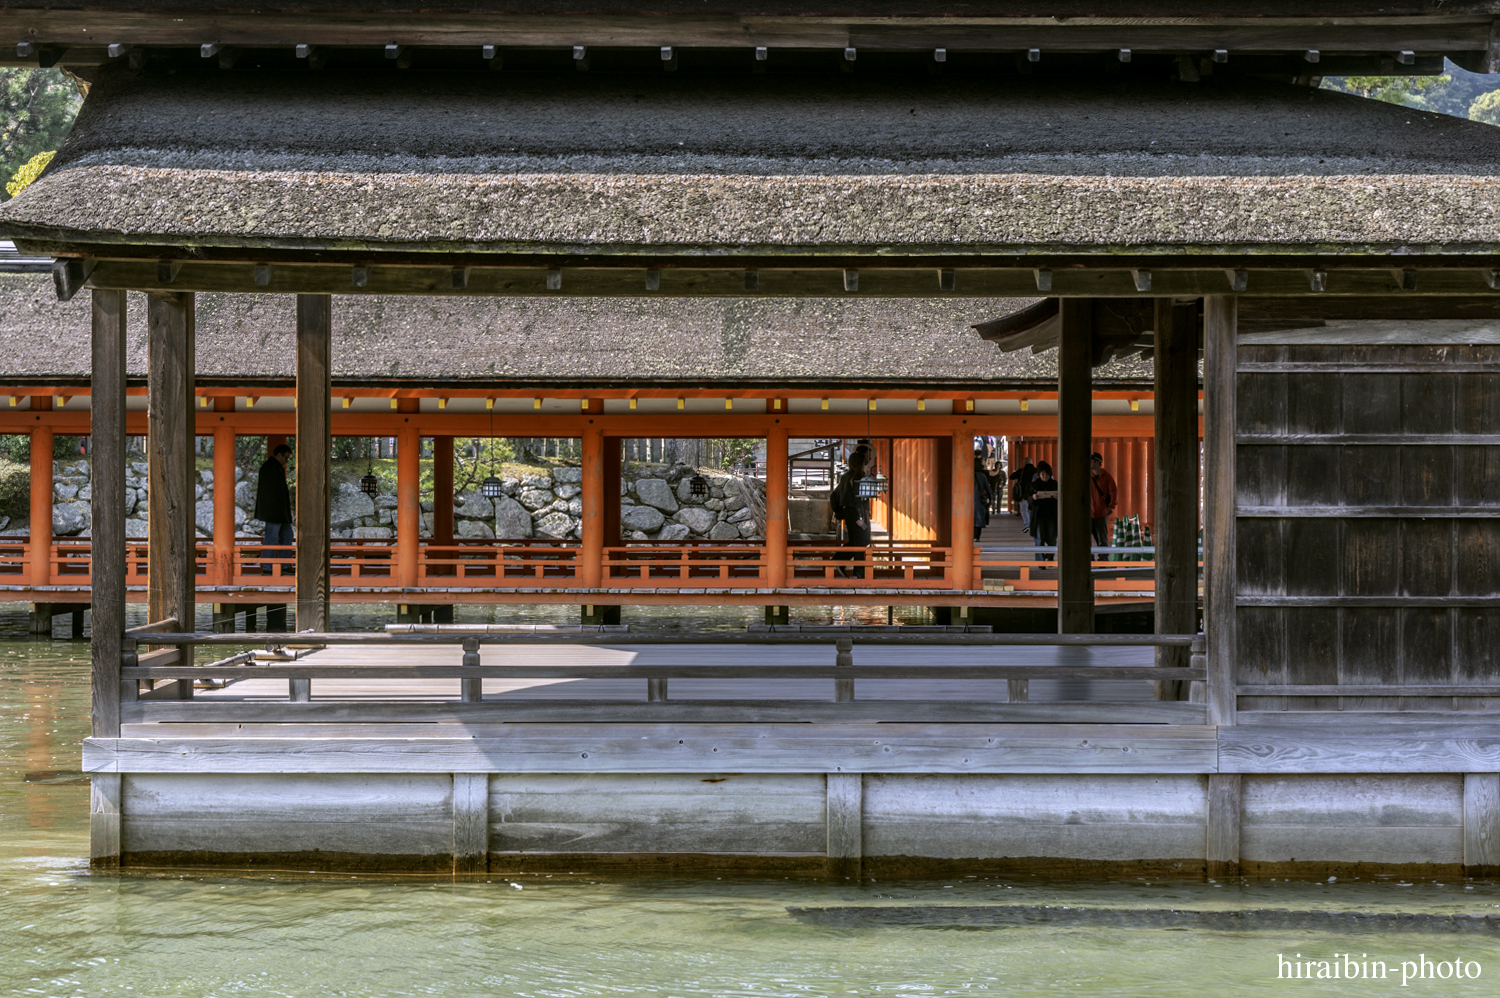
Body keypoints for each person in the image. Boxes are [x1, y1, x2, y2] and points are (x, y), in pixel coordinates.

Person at [830, 444, 871, 578]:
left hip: (849, 514)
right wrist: (861, 517)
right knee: (861, 541)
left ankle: (848, 566)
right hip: (857, 515)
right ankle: (857, 572)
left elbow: (836, 495)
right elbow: (858, 500)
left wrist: (839, 511)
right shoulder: (858, 478)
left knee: (855, 541)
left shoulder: (846, 477)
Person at [254, 443, 294, 575]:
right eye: (286, 458)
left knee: (287, 535)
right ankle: (267, 567)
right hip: (273, 511)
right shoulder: (269, 468)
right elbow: (269, 493)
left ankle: (284, 565)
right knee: (271, 538)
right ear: (278, 455)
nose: (286, 461)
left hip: (280, 511)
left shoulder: (276, 468)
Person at [1027, 461, 1058, 562]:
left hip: (1051, 515)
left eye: (1047, 474)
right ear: (1039, 474)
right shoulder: (1034, 485)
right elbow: (1028, 499)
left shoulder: (1055, 484)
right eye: (1042, 474)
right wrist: (1033, 498)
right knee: (1039, 538)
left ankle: (1049, 558)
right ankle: (1040, 562)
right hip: (1038, 515)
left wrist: (1057, 498)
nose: (1045, 476)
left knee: (1052, 538)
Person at [1089, 451, 1119, 551]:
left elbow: (1114, 492)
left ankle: (1103, 560)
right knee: (1086, 539)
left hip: (1102, 513)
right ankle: (1089, 559)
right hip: (1089, 513)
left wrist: (1111, 506)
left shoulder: (1107, 477)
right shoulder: (1088, 476)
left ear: (1097, 462)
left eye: (1091, 461)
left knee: (1102, 538)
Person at [1009, 457, 1036, 532]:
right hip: (1034, 494)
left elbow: (1011, 477)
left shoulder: (1021, 471)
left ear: (1024, 463)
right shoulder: (1036, 471)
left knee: (1024, 509)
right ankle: (1033, 524)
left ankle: (1027, 525)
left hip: (1024, 494)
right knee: (1033, 509)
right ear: (1032, 462)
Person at [973, 455, 993, 542]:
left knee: (969, 519)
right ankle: (976, 537)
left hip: (967, 500)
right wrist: (990, 499)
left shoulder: (966, 474)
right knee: (978, 519)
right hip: (980, 500)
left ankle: (969, 535)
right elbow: (988, 489)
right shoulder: (982, 476)